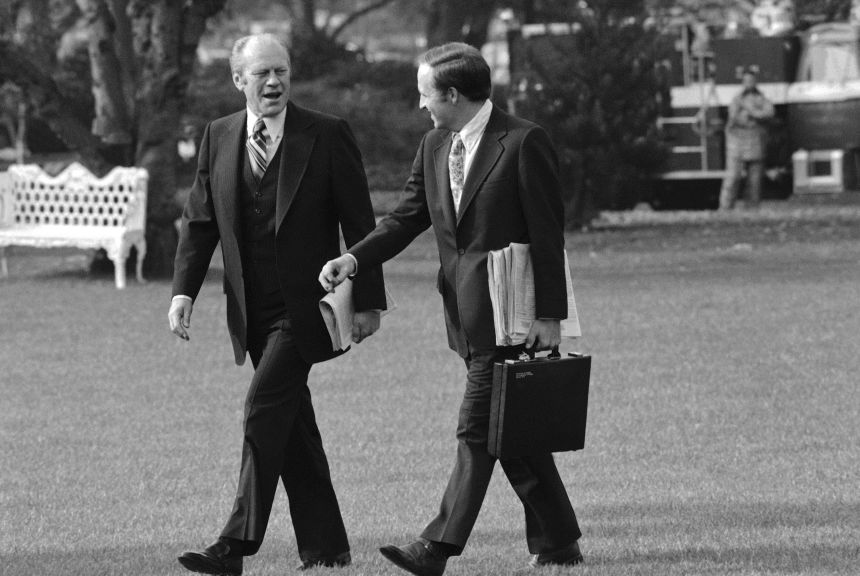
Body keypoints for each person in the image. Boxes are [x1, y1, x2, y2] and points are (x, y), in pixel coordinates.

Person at [319, 42, 583, 575]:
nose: (421, 105)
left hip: (511, 317)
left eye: (425, 95)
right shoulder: (435, 144)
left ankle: (435, 547)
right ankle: (558, 542)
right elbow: (406, 218)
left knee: (475, 430)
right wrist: (353, 258)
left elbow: (547, 234)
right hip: (464, 315)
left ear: (453, 94)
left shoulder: (523, 141)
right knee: (511, 430)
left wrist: (550, 315)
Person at [168, 33, 387, 574]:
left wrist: (369, 301)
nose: (273, 82)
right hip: (251, 311)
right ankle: (327, 548)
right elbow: (200, 221)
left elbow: (360, 221)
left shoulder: (327, 133)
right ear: (238, 79)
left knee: (263, 409)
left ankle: (234, 545)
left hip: (307, 308)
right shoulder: (219, 134)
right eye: (262, 73)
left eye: (281, 71)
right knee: (293, 428)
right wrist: (183, 292)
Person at [719, 67, 775, 210]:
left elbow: (768, 113)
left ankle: (752, 209)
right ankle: (725, 208)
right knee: (732, 177)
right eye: (746, 80)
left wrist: (752, 111)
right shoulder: (737, 99)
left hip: (756, 140)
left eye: (751, 80)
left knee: (754, 179)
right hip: (737, 141)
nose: (749, 83)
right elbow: (733, 118)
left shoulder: (761, 98)